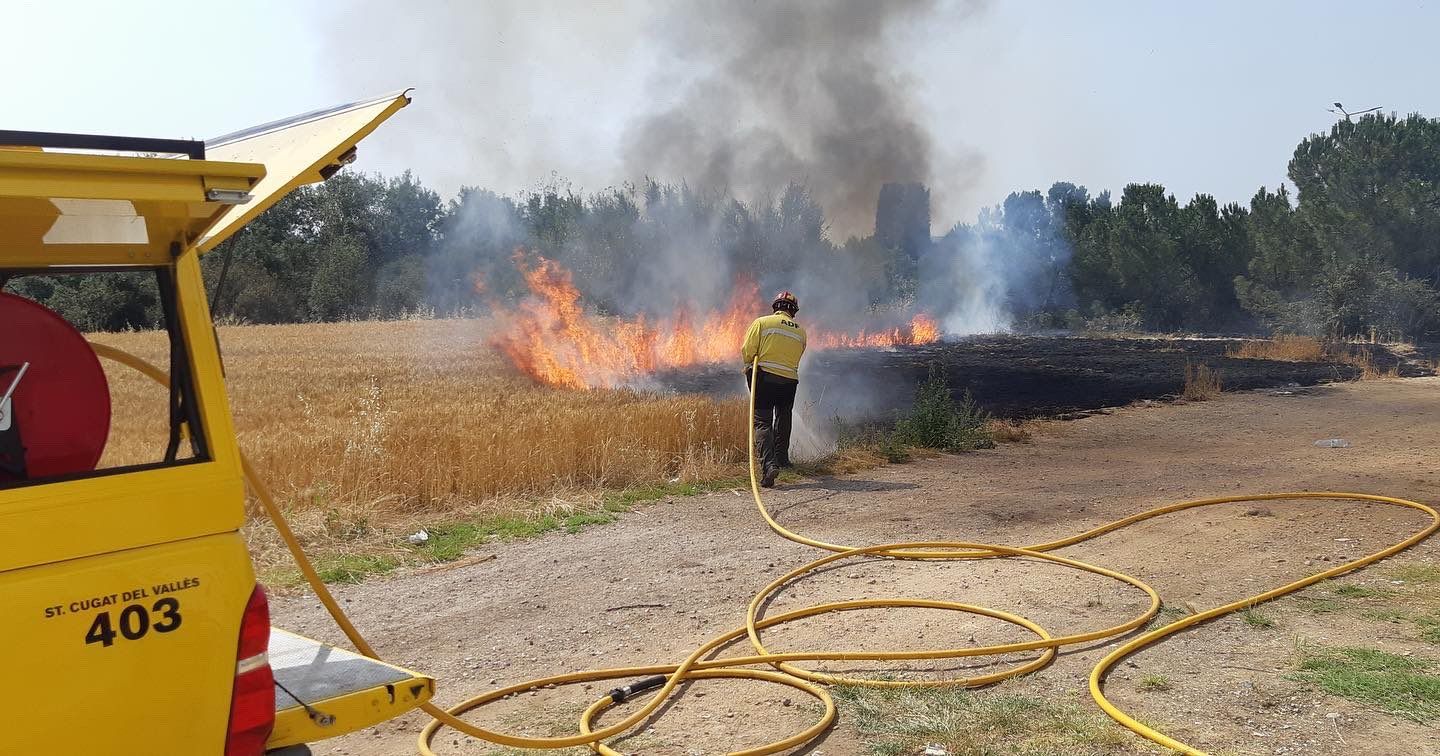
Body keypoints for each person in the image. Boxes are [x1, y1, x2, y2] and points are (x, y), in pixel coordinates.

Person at [741, 290, 806, 488]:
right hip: (789, 381)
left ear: (775, 307)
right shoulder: (801, 331)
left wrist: (749, 368)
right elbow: (799, 354)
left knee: (762, 422)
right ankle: (782, 460)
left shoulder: (762, 323)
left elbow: (747, 351)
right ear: (793, 311)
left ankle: (769, 466)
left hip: (765, 378)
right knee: (784, 418)